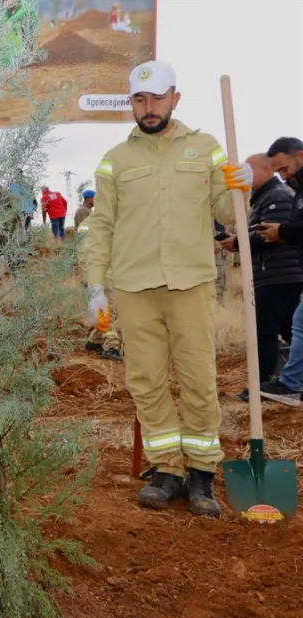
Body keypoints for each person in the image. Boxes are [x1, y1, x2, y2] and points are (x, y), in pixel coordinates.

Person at [83, 60, 251, 517]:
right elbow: (102, 226)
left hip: (190, 284)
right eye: (140, 99)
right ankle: (167, 469)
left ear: (175, 98)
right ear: (132, 104)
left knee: (199, 381)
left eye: (157, 98)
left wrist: (243, 187)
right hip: (136, 288)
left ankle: (201, 474)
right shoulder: (116, 159)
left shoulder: (206, 148)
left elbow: (227, 209)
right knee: (147, 383)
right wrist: (95, 285)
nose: (149, 107)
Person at [219, 153, 301, 400]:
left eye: (250, 169)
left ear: (267, 169)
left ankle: (262, 385)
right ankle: (285, 380)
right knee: (291, 329)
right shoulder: (265, 197)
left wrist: (239, 242)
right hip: (277, 273)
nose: (246, 174)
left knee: (264, 331)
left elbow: (273, 232)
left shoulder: (277, 196)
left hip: (278, 273)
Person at [254, 137, 303, 406]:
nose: (283, 177)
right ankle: (290, 383)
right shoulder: (296, 194)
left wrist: (281, 232)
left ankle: (289, 383)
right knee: (298, 324)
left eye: (284, 169)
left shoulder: (283, 196)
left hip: (282, 275)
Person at [75, 189, 122, 361]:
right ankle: (110, 345)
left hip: (94, 271)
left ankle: (94, 340)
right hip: (101, 273)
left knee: (105, 308)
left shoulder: (89, 223)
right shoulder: (104, 224)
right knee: (109, 309)